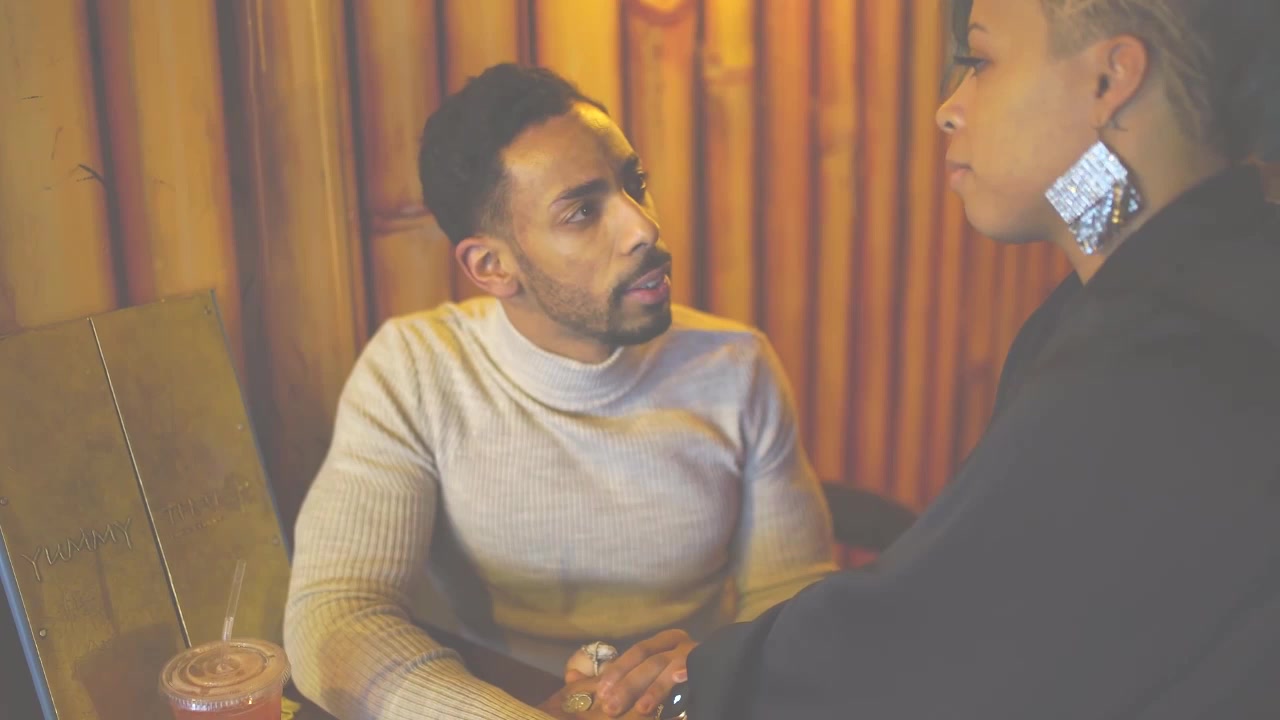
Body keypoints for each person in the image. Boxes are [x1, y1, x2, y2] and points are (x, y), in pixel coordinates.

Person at [604, 0, 1278, 718]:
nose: (948, 111)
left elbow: (940, 650)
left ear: (1110, 81)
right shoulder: (1179, 282)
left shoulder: (1167, 356)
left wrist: (696, 690)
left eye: (981, 61)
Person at [282, 63, 836, 720]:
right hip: (496, 696)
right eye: (581, 212)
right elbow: (336, 615)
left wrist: (713, 676)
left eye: (635, 184)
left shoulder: (735, 364)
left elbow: (793, 596)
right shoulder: (416, 370)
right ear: (493, 266)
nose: (642, 227)